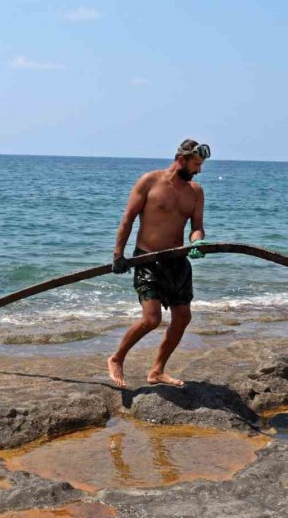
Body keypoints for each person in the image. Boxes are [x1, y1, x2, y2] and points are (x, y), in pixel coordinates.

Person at [108, 139, 210, 388]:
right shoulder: (149, 181)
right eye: (196, 164)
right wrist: (118, 255)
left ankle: (157, 371)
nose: (199, 170)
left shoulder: (195, 192)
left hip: (177, 262)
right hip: (148, 260)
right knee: (151, 319)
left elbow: (197, 227)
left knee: (183, 318)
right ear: (182, 159)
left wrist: (196, 243)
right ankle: (116, 358)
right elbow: (128, 220)